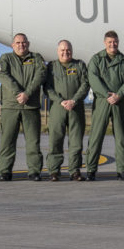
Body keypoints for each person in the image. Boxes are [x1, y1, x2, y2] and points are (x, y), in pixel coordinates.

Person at [0, 33, 46, 181]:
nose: (21, 45)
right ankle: (5, 171)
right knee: (7, 140)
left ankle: (34, 171)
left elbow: (41, 75)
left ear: (28, 44)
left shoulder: (37, 58)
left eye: (23, 42)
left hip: (31, 106)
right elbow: (2, 75)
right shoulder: (5, 59)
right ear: (12, 45)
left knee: (33, 141)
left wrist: (28, 93)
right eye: (17, 43)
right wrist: (19, 93)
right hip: (11, 106)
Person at [87, 30, 124, 181]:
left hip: (119, 102)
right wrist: (106, 95)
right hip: (102, 101)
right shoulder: (96, 59)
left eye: (115, 42)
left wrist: (119, 94)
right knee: (96, 136)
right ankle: (91, 170)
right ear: (105, 43)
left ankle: (122, 170)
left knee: (121, 137)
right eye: (109, 42)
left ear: (118, 42)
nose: (112, 44)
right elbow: (92, 78)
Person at [44, 40, 89, 182]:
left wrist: (74, 100)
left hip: (76, 107)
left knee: (76, 141)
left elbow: (85, 84)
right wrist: (60, 101)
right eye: (62, 50)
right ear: (58, 51)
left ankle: (74, 171)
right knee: (55, 140)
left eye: (68, 50)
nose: (65, 52)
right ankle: (54, 171)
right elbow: (47, 87)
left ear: (72, 50)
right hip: (58, 107)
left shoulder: (79, 65)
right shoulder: (51, 66)